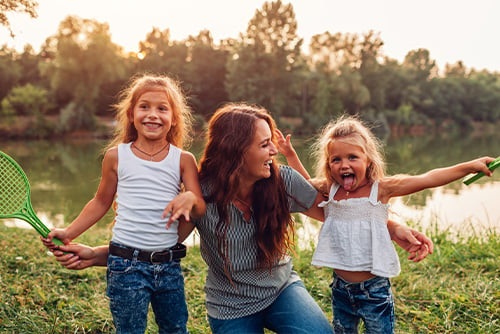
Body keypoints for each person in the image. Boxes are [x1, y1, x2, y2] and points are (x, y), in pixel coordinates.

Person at [45, 103, 434, 334]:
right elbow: (162, 243)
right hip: (229, 304)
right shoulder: (204, 193)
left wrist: (395, 227)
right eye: (264, 145)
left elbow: (341, 212)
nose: (272, 152)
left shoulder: (282, 180)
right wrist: (96, 254)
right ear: (237, 150)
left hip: (281, 289)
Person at [278, 115, 494, 333]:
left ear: (368, 160)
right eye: (336, 160)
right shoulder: (331, 189)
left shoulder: (380, 189)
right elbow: (302, 187)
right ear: (329, 164)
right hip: (341, 288)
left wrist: (469, 166)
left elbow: (427, 178)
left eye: (352, 157)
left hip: (374, 291)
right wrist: (290, 155)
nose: (344, 165)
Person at [44, 74, 206, 334]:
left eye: (162, 108)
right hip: (125, 265)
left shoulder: (183, 159)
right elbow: (100, 202)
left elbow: (200, 208)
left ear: (174, 118)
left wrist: (190, 197)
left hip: (169, 266)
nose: (152, 114)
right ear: (131, 114)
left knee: (176, 329)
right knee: (129, 330)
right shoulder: (116, 156)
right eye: (144, 107)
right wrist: (69, 232)